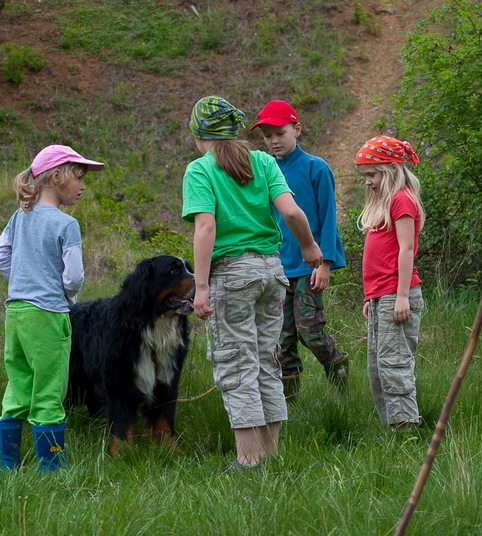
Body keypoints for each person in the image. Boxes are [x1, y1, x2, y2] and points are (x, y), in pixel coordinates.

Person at [182, 96, 323, 470]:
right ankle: (270, 455)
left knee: (235, 363)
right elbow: (291, 211)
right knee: (265, 361)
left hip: (232, 275)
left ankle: (248, 461)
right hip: (272, 272)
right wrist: (309, 247)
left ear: (200, 135)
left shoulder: (200, 170)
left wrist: (201, 286)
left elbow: (206, 227)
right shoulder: (262, 162)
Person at [0, 145, 104, 471]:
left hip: (16, 314)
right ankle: (52, 467)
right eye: (79, 178)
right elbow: (75, 276)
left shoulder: (18, 217)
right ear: (56, 177)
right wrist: (63, 293)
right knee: (50, 389)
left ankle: (8, 464)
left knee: (19, 385)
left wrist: (25, 278)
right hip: (48, 315)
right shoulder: (66, 225)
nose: (82, 186)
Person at [251, 99, 348, 400]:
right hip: (277, 269)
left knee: (310, 330)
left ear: (297, 129)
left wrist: (325, 263)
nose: (274, 141)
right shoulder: (265, 170)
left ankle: (338, 369)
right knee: (282, 339)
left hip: (310, 265)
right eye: (267, 136)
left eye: (280, 132)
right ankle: (289, 402)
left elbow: (329, 217)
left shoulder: (315, 168)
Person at [355, 135, 425, 431]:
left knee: (393, 365)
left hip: (397, 294)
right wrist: (370, 298)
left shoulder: (401, 199)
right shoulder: (386, 202)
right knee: (378, 368)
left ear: (392, 170)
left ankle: (405, 428)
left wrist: (401, 297)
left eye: (372, 174)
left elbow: (406, 249)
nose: (368, 181)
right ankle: (391, 427)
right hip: (380, 297)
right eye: (366, 175)